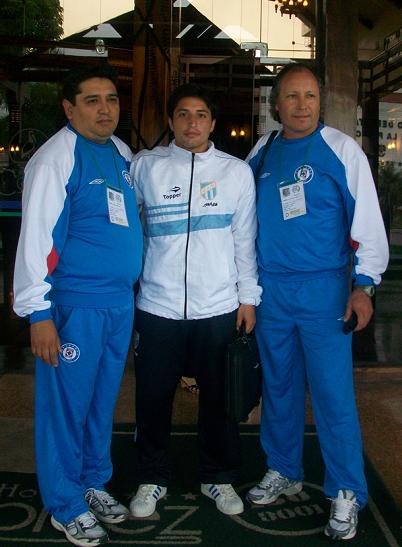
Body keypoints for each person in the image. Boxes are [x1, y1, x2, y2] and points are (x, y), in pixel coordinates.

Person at [246, 63, 389, 541]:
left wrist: (363, 286)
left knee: (332, 395)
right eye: (291, 96)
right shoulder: (261, 153)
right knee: (279, 389)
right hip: (271, 293)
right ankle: (283, 468)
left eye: (309, 95)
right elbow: (241, 224)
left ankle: (346, 490)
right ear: (275, 105)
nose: (301, 105)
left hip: (325, 292)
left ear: (320, 101)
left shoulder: (341, 150)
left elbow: (367, 221)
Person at [13, 63, 143, 547]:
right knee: (65, 408)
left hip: (116, 305)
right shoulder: (55, 159)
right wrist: (39, 314)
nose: (105, 108)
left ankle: (92, 481)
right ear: (69, 108)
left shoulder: (121, 153)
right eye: (92, 100)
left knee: (100, 403)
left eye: (111, 98)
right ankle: (64, 502)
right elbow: (36, 244)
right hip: (73, 307)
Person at [129, 83, 261, 518]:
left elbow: (245, 240)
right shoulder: (144, 167)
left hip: (219, 307)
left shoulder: (235, 173)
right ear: (170, 122)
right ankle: (151, 477)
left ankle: (218, 477)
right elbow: (128, 233)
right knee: (152, 397)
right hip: (157, 307)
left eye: (201, 114)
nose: (191, 122)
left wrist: (248, 298)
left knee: (220, 400)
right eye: (183, 114)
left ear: (213, 123)